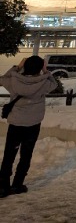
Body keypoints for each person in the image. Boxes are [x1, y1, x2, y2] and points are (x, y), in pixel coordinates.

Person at [0, 55, 58, 198]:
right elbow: (54, 84)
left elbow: (2, 79)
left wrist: (17, 68)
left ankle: (3, 187)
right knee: (26, 155)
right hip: (33, 124)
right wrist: (46, 71)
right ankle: (17, 184)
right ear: (40, 68)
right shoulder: (44, 83)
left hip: (16, 124)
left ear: (25, 66)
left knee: (9, 155)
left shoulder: (14, 81)